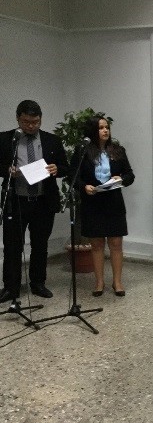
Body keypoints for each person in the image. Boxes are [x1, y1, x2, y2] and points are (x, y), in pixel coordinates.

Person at [0, 100, 69, 302]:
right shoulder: (6, 139)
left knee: (40, 245)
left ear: (41, 120)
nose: (31, 126)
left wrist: (57, 169)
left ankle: (38, 283)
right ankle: (11, 287)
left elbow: (65, 167)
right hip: (16, 201)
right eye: (26, 122)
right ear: (18, 119)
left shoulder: (52, 140)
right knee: (13, 246)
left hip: (43, 201)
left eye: (35, 122)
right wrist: (8, 170)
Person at [71, 115, 135, 297]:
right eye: (101, 128)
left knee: (116, 243)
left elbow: (130, 175)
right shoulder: (82, 150)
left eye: (107, 127)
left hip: (113, 202)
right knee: (97, 244)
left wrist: (121, 178)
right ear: (93, 130)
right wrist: (84, 186)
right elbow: (73, 176)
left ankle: (117, 282)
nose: (105, 130)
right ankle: (99, 282)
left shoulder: (118, 150)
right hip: (92, 202)